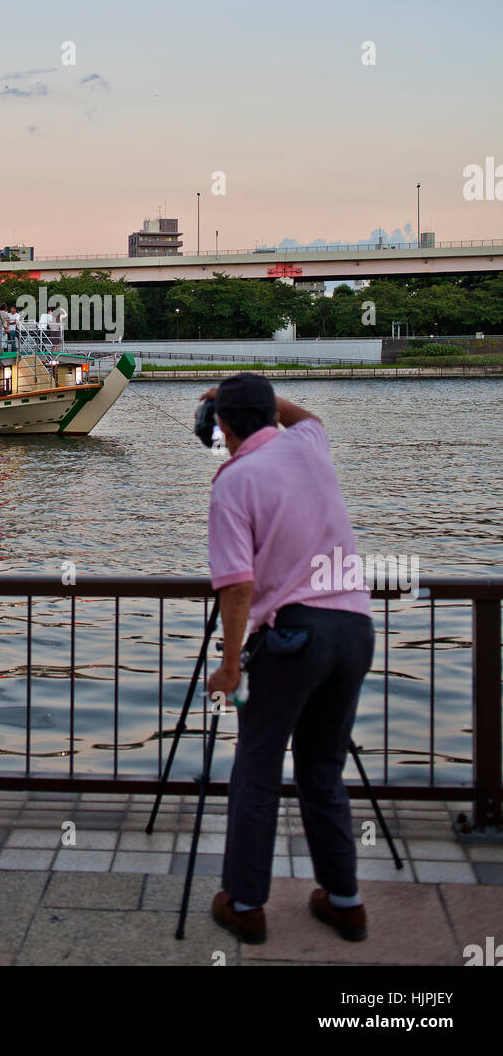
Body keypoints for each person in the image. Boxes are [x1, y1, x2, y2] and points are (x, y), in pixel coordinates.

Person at [203, 373, 374, 947]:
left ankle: (246, 904)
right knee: (322, 768)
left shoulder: (235, 481)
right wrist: (251, 400)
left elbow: (237, 588)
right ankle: (345, 901)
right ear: (270, 416)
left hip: (292, 637)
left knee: (256, 767)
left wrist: (229, 669)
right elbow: (305, 419)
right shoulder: (307, 444)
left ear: (220, 427)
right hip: (353, 630)